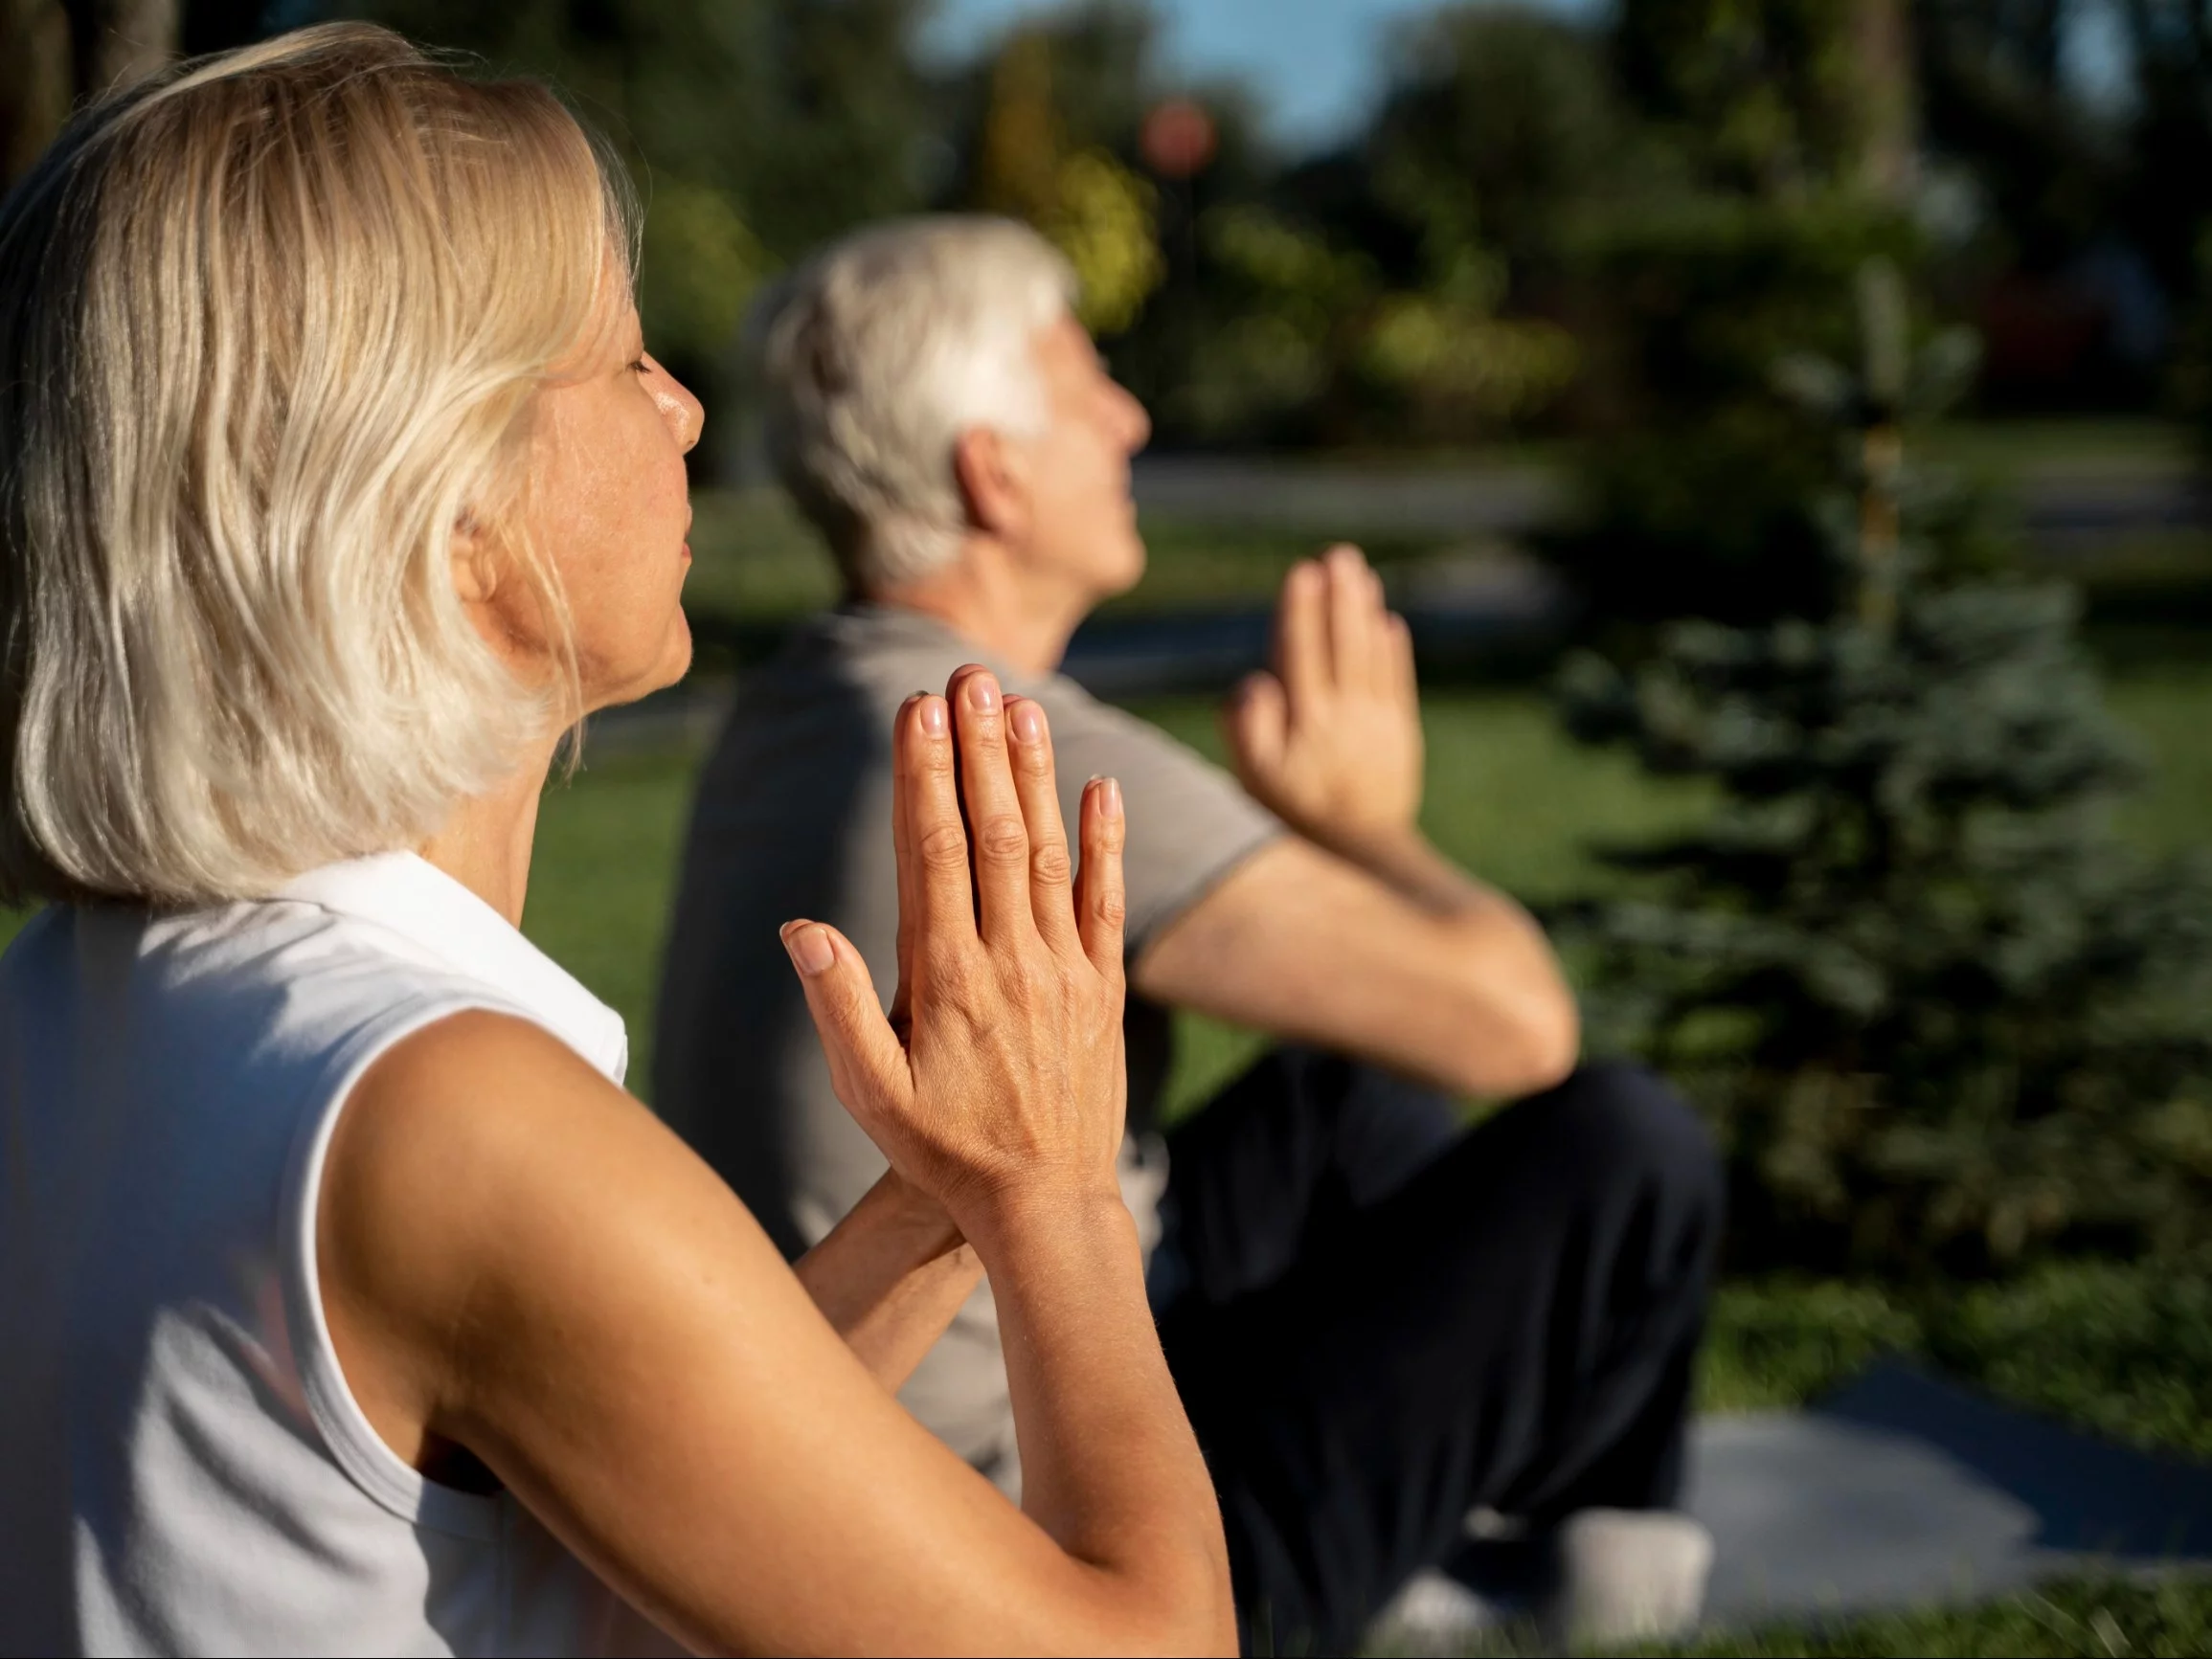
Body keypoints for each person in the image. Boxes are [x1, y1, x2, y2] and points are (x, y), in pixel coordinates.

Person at [0, 32, 1237, 1656]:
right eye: (620, 360)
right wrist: (1061, 1197)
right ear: (445, 504)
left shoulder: (76, 1000)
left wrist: (938, 1203)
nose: (685, 406)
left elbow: (602, 1543)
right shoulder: (445, 1112)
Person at [657, 216, 1727, 1653]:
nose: (1130, 416)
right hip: (1029, 1528)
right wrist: (1366, 823)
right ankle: (1590, 1582)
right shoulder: (1002, 744)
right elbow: (1517, 1026)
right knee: (1626, 1146)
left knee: (1360, 1098)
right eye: (1086, 380)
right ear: (995, 467)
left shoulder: (802, 703)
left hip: (871, 1434)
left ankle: (1438, 1525)